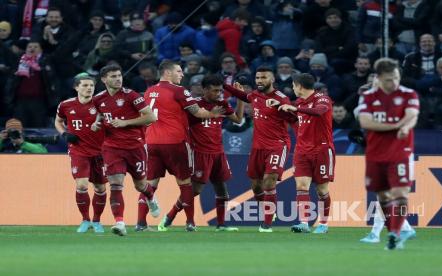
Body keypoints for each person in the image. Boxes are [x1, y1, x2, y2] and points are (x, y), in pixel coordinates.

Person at [141, 60, 225, 232]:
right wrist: (212, 113)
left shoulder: (149, 91)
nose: (182, 74)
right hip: (174, 142)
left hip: (151, 141)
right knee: (185, 183)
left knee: (150, 184)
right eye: (178, 71)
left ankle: (140, 222)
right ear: (167, 73)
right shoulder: (178, 90)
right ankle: (190, 222)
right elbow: (197, 112)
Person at [355, 58, 420, 250]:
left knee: (400, 193)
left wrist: (406, 126)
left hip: (401, 151)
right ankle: (398, 229)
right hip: (376, 153)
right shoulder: (367, 97)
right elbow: (365, 122)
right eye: (389, 80)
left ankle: (394, 233)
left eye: (396, 78)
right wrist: (397, 126)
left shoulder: (409, 94)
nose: (394, 83)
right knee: (383, 196)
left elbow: (412, 115)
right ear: (379, 79)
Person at [224, 66, 293, 232]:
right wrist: (225, 85)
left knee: (269, 180)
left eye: (263, 78)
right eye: (257, 78)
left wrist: (280, 108)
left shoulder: (281, 98)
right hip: (257, 147)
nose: (260, 81)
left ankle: (267, 223)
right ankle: (269, 211)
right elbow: (243, 96)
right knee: (256, 186)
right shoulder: (255, 95)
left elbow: (294, 118)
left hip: (277, 145)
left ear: (272, 79)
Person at [91, 64, 158, 236]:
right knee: (115, 184)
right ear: (104, 79)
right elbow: (100, 115)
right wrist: (96, 123)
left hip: (135, 146)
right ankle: (119, 222)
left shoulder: (131, 96)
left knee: (141, 185)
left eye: (119, 75)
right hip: (112, 147)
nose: (118, 79)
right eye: (113, 76)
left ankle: (150, 196)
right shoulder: (98, 99)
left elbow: (151, 117)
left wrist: (125, 123)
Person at [269, 73, 335, 234]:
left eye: (293, 85)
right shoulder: (299, 102)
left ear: (299, 86)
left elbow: (319, 112)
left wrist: (295, 108)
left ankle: (323, 224)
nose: (292, 88)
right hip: (302, 150)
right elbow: (293, 119)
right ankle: (304, 223)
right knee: (301, 185)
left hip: (322, 150)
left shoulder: (322, 98)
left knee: (321, 189)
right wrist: (279, 106)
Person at [55, 73, 107, 233]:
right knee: (82, 185)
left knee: (100, 188)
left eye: (91, 85)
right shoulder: (65, 105)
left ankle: (97, 221)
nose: (89, 88)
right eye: (84, 85)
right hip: (79, 150)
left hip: (100, 151)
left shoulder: (101, 105)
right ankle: (85, 220)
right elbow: (58, 121)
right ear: (76, 87)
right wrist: (64, 133)